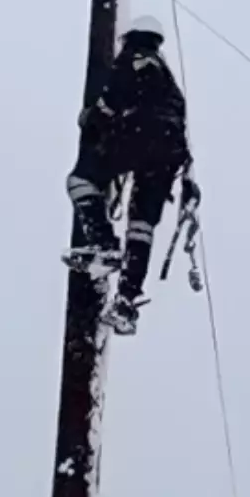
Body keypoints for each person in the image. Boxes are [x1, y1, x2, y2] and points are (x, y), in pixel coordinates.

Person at [65, 16, 200, 334]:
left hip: (139, 138)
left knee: (80, 180)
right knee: (141, 226)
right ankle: (126, 300)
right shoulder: (168, 82)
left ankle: (104, 244)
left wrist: (91, 117)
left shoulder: (134, 60)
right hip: (170, 158)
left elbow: (110, 99)